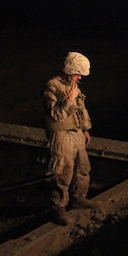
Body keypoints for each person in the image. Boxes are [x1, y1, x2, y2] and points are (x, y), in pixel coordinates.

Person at [42, 51, 99, 225]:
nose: (79, 78)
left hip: (76, 133)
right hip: (61, 135)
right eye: (77, 74)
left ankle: (78, 198)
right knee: (62, 172)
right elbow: (55, 116)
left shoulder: (72, 85)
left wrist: (85, 129)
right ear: (68, 71)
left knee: (83, 167)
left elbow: (81, 109)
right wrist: (69, 101)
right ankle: (58, 207)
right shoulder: (52, 87)